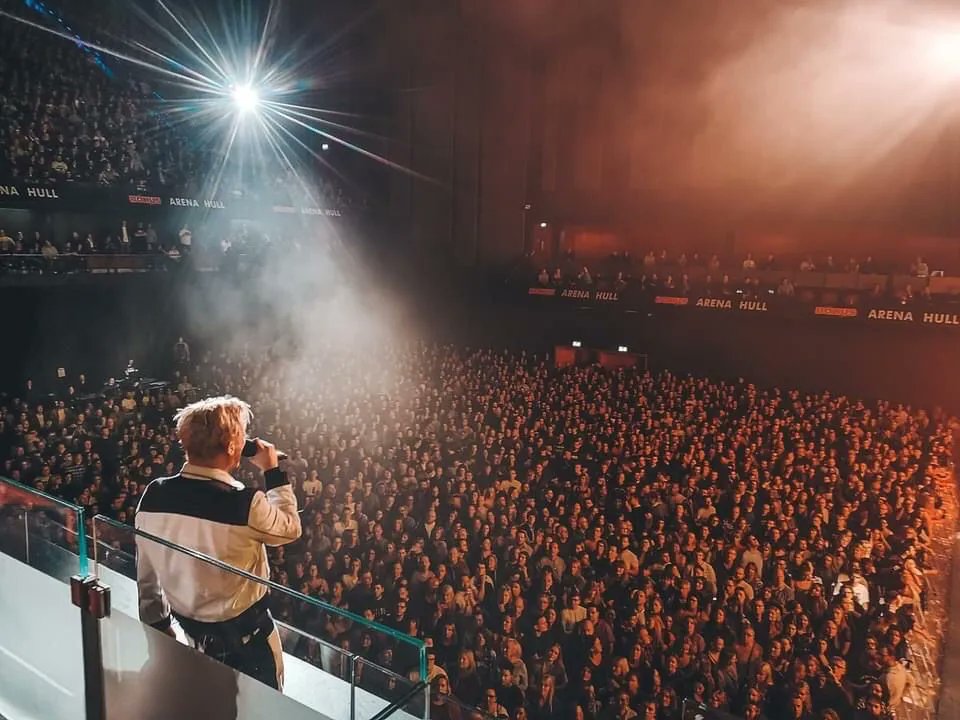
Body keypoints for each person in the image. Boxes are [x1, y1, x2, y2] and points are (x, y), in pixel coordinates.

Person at [135, 396, 301, 690]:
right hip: (248, 640)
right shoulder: (245, 503)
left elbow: (147, 578)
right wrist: (273, 472)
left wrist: (159, 627)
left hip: (190, 634)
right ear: (232, 447)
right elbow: (289, 529)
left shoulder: (153, 495)